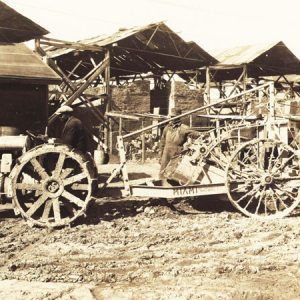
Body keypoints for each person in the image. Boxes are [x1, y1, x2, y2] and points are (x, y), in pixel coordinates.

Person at [159, 108, 200, 179]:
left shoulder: (184, 128)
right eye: (171, 117)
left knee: (175, 173)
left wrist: (203, 135)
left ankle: (175, 187)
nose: (172, 119)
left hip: (177, 153)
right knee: (163, 172)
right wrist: (160, 155)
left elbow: (196, 134)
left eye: (174, 117)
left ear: (179, 117)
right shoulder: (166, 128)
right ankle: (162, 187)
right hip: (166, 153)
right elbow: (162, 143)